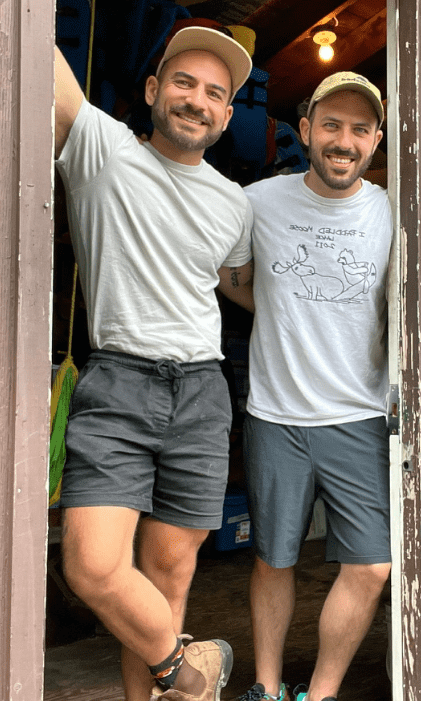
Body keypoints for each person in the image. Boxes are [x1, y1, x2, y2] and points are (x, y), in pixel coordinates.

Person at [54, 26, 256, 701]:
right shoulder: (101, 149)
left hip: (200, 390)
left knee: (168, 575)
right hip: (118, 381)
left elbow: (233, 284)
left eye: (214, 93)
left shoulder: (235, 204)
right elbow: (33, 51)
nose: (196, 100)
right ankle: (188, 671)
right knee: (92, 565)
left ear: (227, 116)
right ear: (151, 90)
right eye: (183, 82)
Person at [238, 72, 393, 701]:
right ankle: (266, 688)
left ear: (376, 141)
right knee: (274, 557)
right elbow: (231, 276)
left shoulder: (388, 209)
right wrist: (278, 312)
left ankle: (321, 695)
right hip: (274, 412)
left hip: (359, 414)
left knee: (372, 564)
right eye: (331, 125)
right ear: (305, 131)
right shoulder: (257, 201)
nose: (344, 141)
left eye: (360, 129)